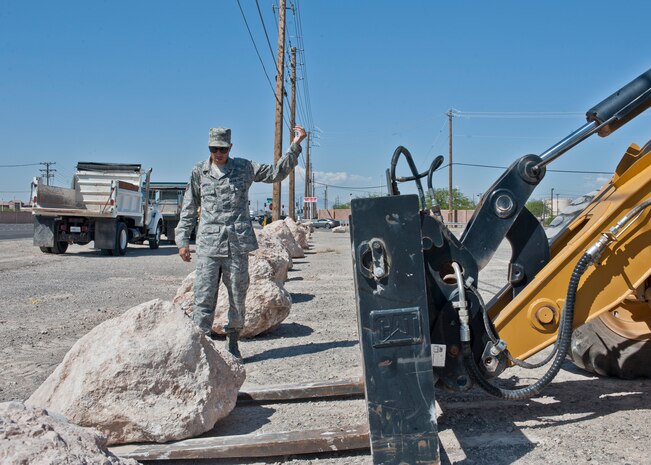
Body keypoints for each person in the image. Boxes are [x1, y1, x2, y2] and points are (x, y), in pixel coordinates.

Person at [175, 125, 307, 359]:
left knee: (237, 296)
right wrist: (182, 239)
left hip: (236, 246)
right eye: (214, 148)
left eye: (223, 149)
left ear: (230, 148)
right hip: (208, 246)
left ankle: (233, 342)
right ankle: (202, 348)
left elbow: (276, 172)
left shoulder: (244, 168)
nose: (218, 153)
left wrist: (296, 145)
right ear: (209, 148)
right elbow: (189, 206)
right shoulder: (199, 172)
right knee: (203, 297)